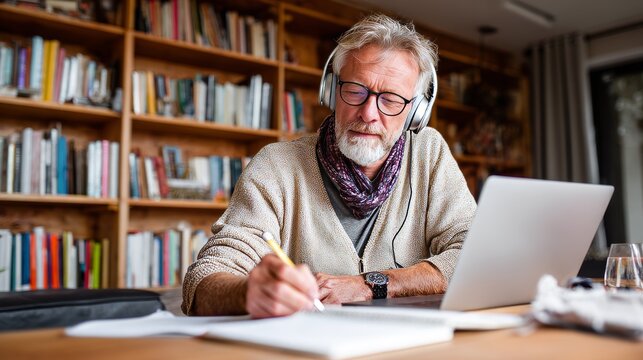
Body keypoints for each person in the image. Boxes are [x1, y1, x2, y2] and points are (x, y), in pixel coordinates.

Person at [182, 14, 476, 318]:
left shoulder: (429, 154)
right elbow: (203, 278)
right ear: (331, 90)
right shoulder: (276, 166)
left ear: (416, 111)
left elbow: (474, 256)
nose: (368, 113)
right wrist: (246, 293)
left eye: (389, 99)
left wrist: (372, 285)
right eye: (355, 90)